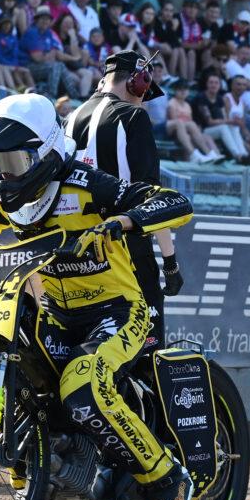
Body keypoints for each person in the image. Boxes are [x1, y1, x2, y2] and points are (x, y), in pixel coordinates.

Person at [0, 94, 197, 500]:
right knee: (24, 378)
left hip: (117, 311)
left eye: (14, 160)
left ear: (47, 150)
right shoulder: (3, 198)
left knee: (82, 384)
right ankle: (33, 487)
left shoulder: (86, 183)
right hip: (58, 315)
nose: (3, 172)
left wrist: (122, 222)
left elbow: (173, 203)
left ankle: (166, 479)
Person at [66, 50, 184, 353]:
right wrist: (170, 263)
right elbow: (150, 197)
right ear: (138, 81)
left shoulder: (69, 118)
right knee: (145, 349)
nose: (144, 100)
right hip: (123, 248)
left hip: (72, 252)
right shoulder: (133, 116)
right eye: (146, 91)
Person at [23, 7, 80, 98]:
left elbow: (55, 54)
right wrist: (48, 55)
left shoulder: (49, 33)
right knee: (56, 66)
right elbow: (37, 58)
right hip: (28, 67)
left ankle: (75, 96)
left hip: (43, 65)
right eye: (42, 18)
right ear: (37, 20)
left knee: (59, 65)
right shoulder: (32, 33)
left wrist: (47, 55)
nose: (45, 21)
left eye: (48, 19)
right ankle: (51, 95)